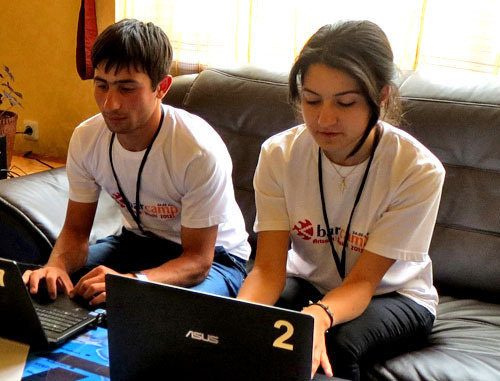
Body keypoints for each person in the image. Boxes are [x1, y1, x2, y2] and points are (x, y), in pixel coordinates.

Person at [237, 20, 445, 380]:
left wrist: (317, 315)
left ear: (381, 97)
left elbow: (363, 283)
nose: (324, 119)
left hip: (394, 294)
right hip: (309, 282)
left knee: (337, 345)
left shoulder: (417, 170)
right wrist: (232, 321)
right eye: (311, 100)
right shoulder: (278, 155)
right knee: (253, 329)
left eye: (345, 102)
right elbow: (268, 268)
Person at [23, 19, 250, 305]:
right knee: (51, 288)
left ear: (162, 87)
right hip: (137, 242)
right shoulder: (87, 138)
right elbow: (76, 231)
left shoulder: (197, 150)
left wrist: (134, 282)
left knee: (161, 310)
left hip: (217, 258)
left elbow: (197, 261)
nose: (110, 104)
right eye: (102, 86)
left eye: (126, 88)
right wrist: (56, 266)